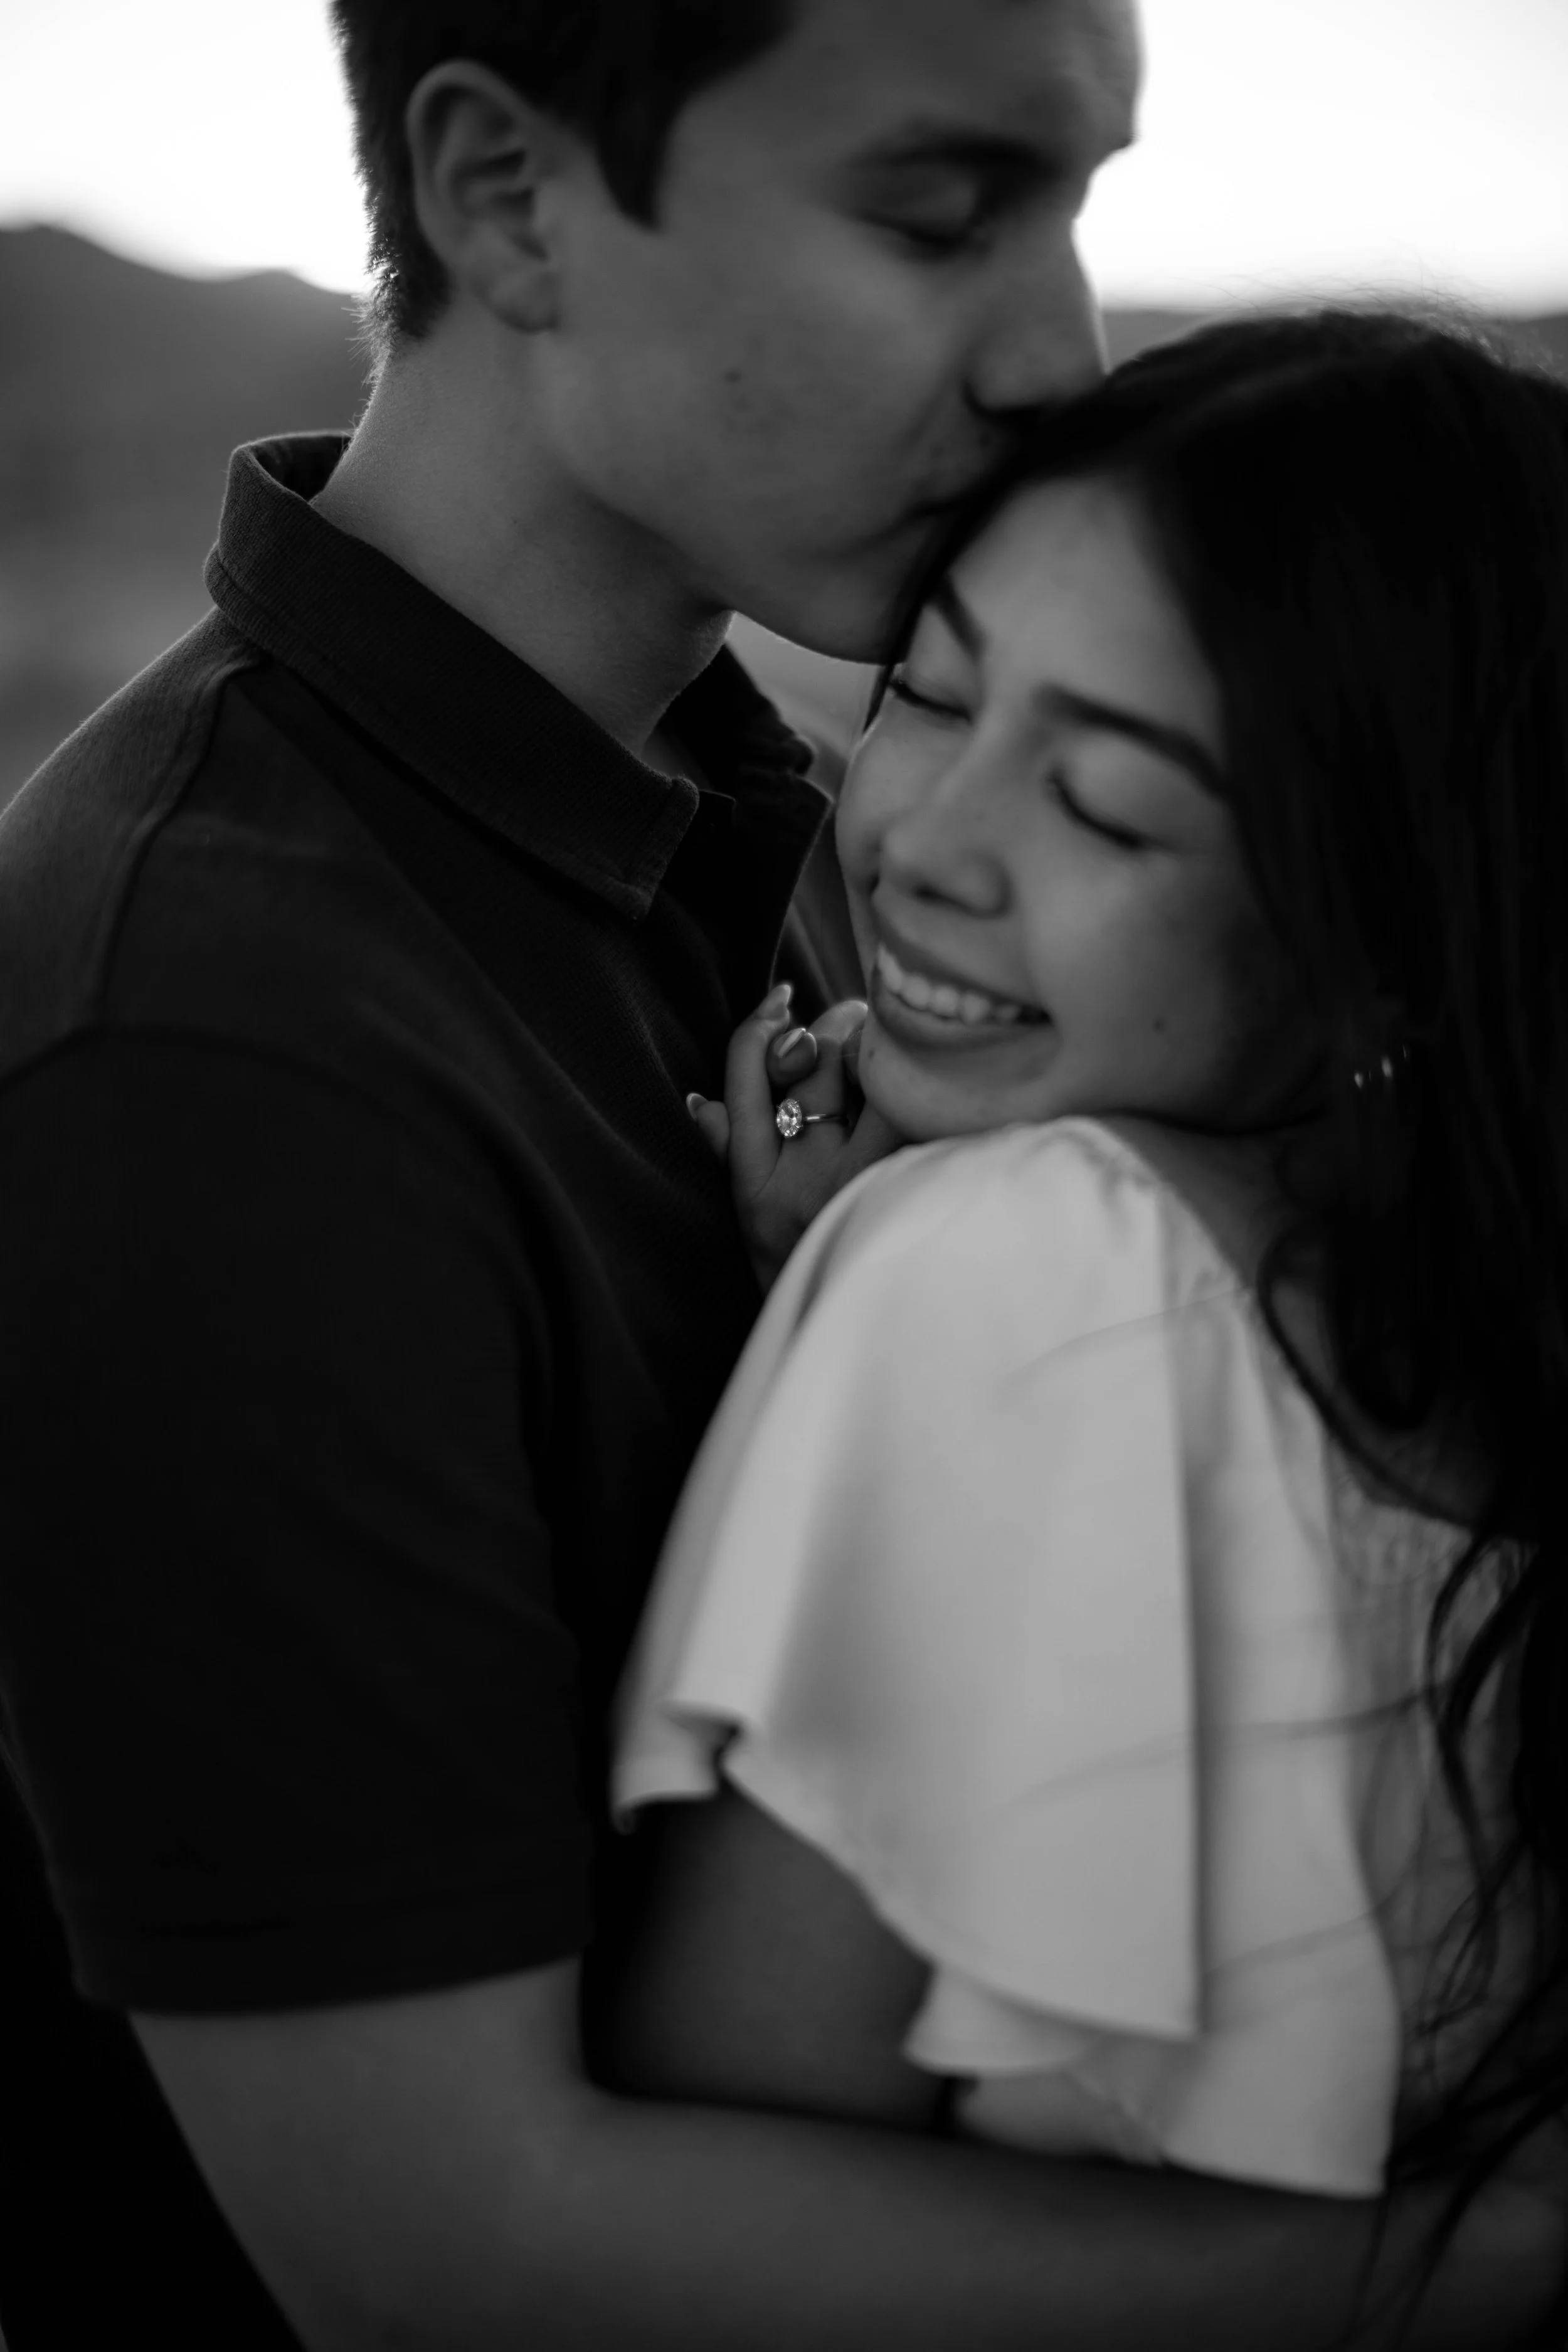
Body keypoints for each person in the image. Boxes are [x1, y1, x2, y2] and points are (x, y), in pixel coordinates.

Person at [0, 0, 1546, 2339]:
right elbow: (438, 2255)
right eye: (943, 212)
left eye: (1081, 206)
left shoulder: (813, 826)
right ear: (507, 197)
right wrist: (1480, 2269)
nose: (1057, 349)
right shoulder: (207, 1026)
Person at [613, 307, 1568, 2334]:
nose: (926, 844)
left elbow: (695, 2249)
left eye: (1113, 808)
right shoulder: (1482, 1345)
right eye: (933, 695)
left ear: (1388, 944)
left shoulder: (1020, 1264)